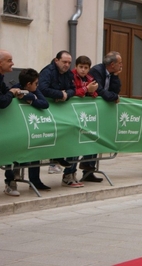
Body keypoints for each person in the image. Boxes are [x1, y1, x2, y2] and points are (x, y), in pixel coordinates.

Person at [79, 51, 123, 182]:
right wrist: (113, 97)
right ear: (112, 64)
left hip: (100, 112)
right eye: (119, 63)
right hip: (89, 110)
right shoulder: (97, 71)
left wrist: (115, 77)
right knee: (89, 138)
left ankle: (89, 171)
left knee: (96, 139)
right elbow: (100, 90)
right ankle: (84, 166)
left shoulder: (112, 73)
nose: (121, 65)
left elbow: (116, 90)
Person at [39, 50, 79, 185]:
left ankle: (60, 157)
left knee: (67, 134)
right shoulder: (48, 71)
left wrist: (66, 94)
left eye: (69, 62)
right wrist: (58, 94)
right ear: (56, 61)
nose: (67, 65)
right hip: (45, 110)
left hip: (62, 110)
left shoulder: (68, 74)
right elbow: (42, 89)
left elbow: (73, 89)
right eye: (64, 62)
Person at [10, 69, 52, 192]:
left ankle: (35, 180)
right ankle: (12, 179)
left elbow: (45, 104)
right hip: (18, 128)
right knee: (15, 153)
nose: (37, 85)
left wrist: (30, 98)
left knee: (35, 151)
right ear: (28, 84)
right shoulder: (15, 88)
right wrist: (24, 97)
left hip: (32, 128)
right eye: (36, 83)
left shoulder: (34, 90)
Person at [62, 55, 99, 188]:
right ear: (76, 67)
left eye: (86, 68)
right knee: (73, 147)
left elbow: (94, 94)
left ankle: (73, 174)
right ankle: (67, 175)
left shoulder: (90, 79)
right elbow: (73, 92)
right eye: (80, 67)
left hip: (84, 117)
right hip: (72, 115)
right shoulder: (71, 77)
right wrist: (86, 90)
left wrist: (92, 91)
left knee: (79, 146)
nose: (83, 70)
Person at [0, 49, 23, 196]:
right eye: (9, 60)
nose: (12, 63)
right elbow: (2, 101)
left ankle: (10, 182)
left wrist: (13, 92)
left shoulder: (1, 77)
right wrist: (11, 93)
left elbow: (5, 91)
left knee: (9, 149)